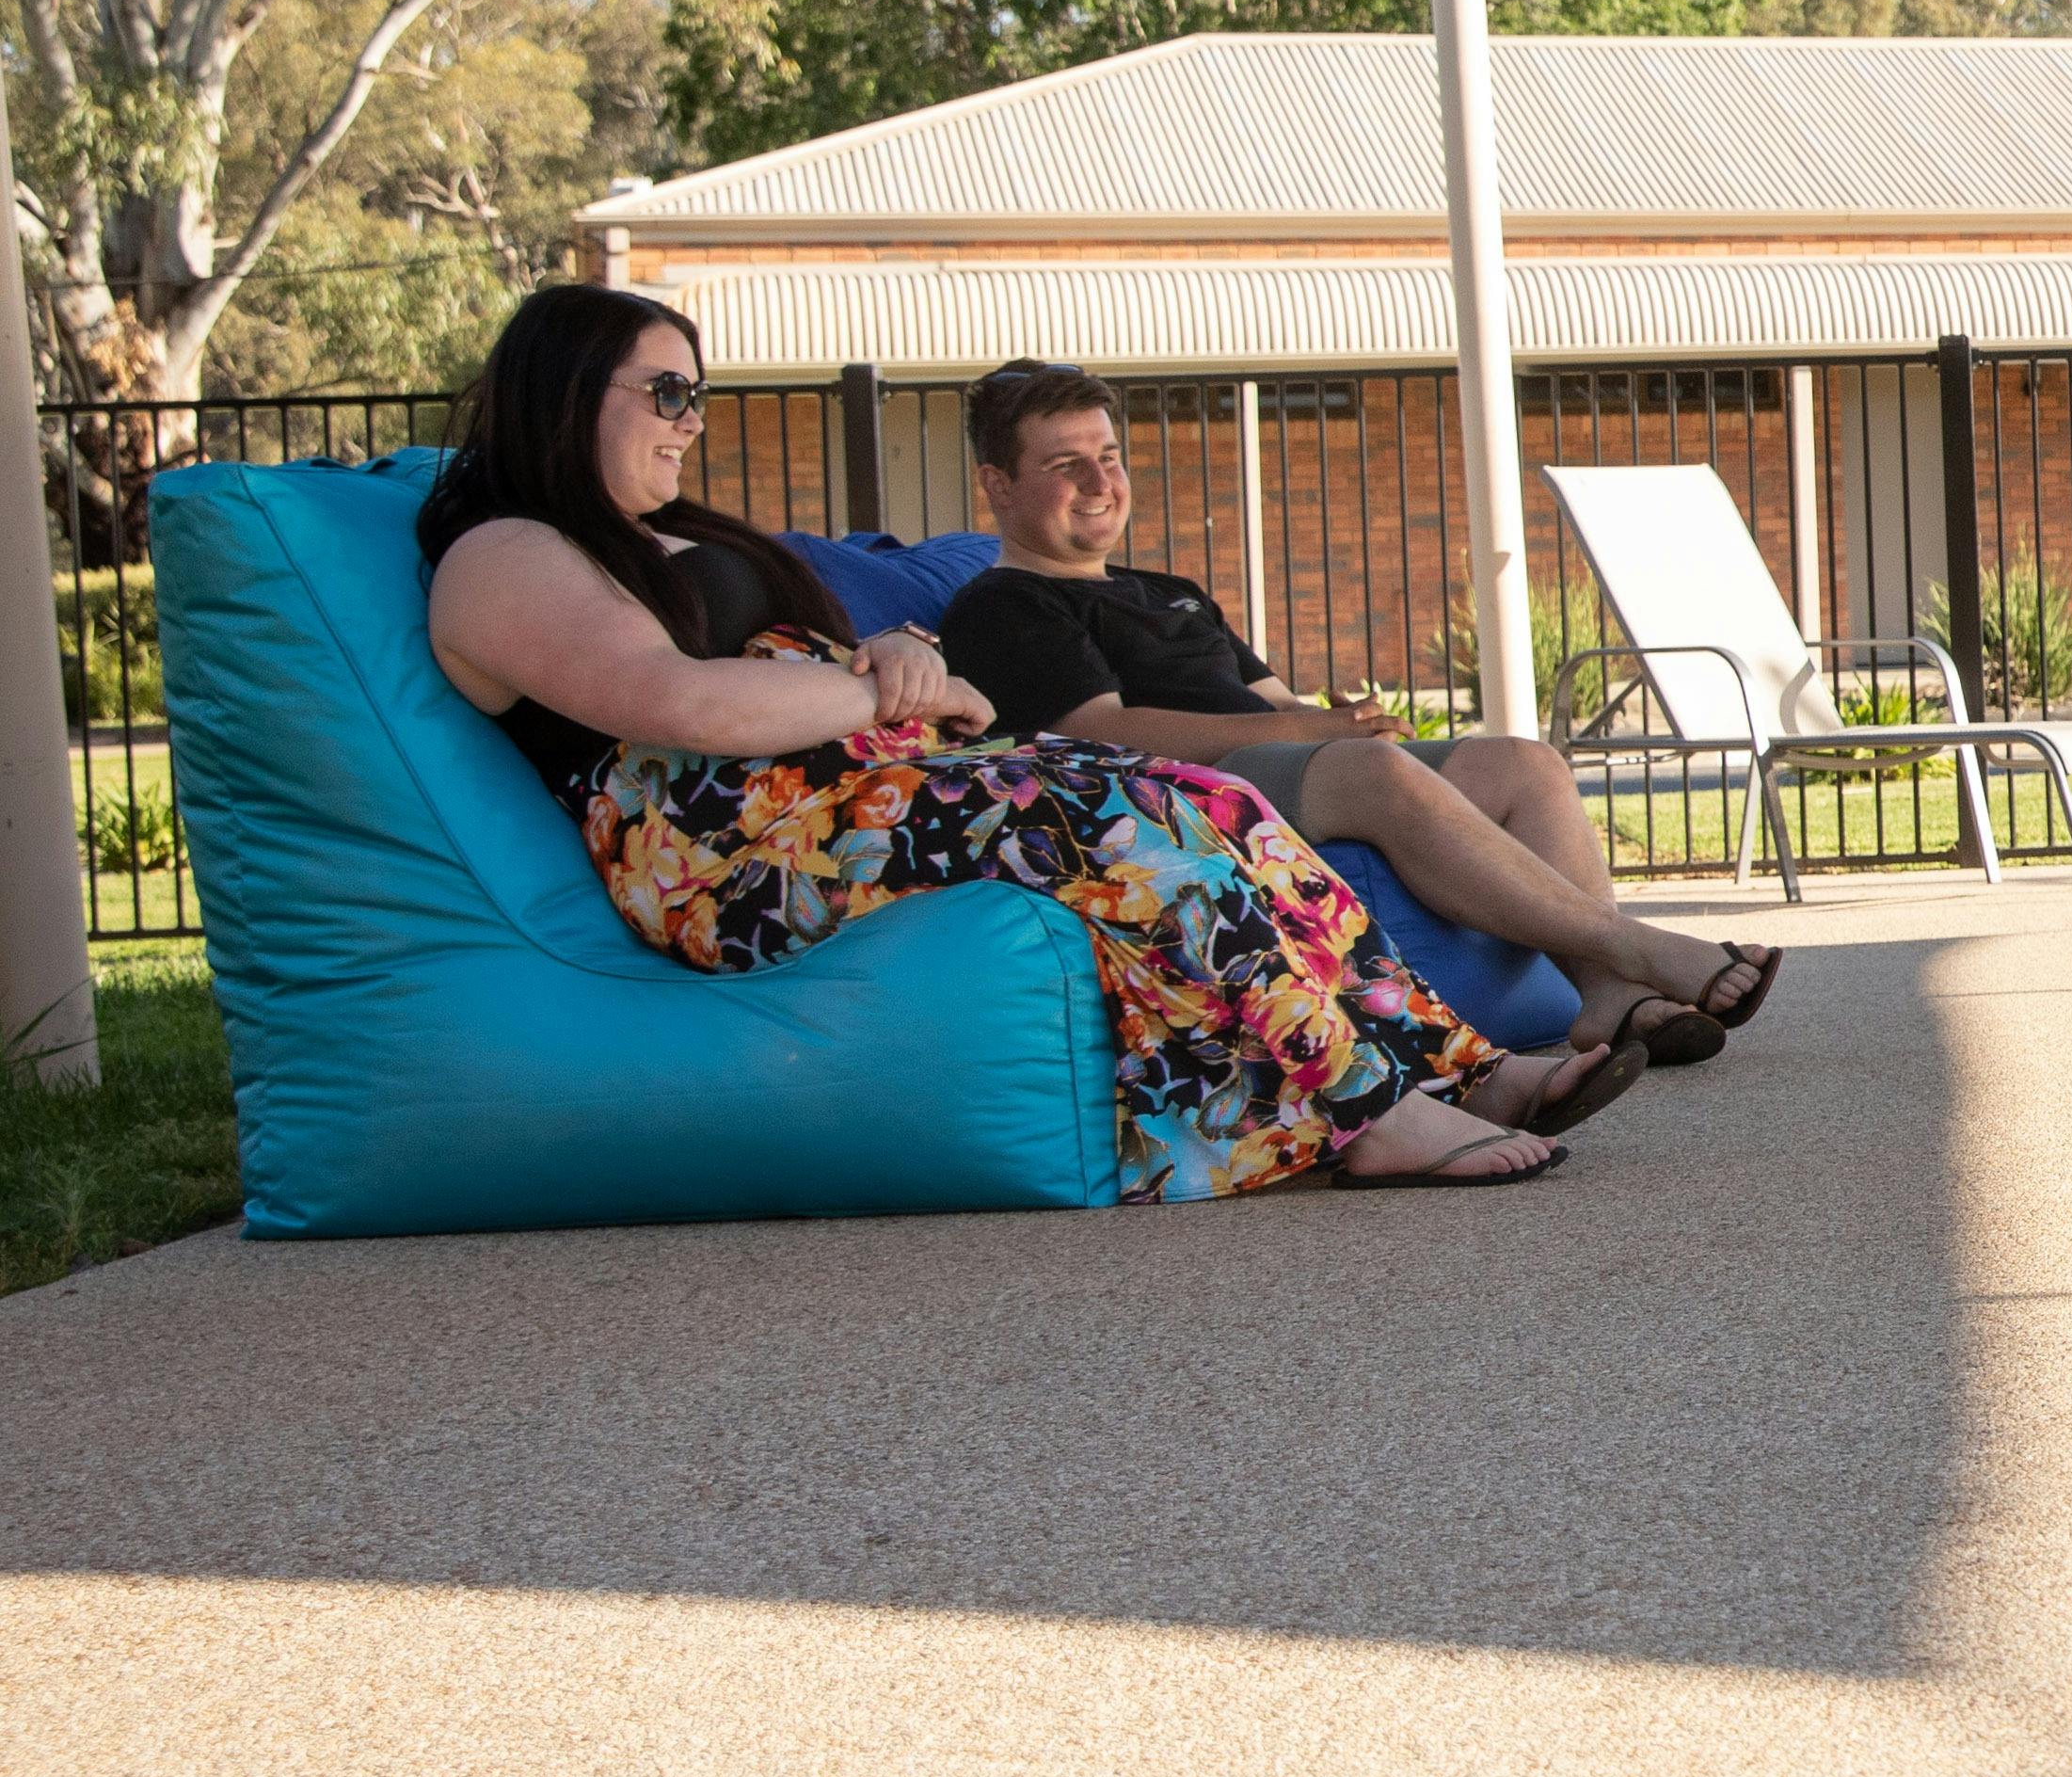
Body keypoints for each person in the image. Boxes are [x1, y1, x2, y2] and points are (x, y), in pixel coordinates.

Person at [418, 284, 1634, 1193]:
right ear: (566, 390)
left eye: (698, 393)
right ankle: (1370, 1113)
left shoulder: (665, 535)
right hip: (743, 853)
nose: (692, 422)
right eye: (666, 393)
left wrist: (896, 670)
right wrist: (882, 695)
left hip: (862, 793)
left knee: (1210, 805)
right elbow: (684, 710)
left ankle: (1460, 1067)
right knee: (1124, 817)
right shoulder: (507, 553)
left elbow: (767, 681)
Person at [933, 361, 1779, 1061]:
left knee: (1522, 760)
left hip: (1273, 770)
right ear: (998, 484)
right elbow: (1102, 732)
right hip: (1164, 798)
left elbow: (1275, 704)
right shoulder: (1004, 603)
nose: (1098, 482)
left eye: (1108, 456)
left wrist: (1335, 717)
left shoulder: (1169, 592)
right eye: (1064, 464)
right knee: (1367, 768)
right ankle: (1634, 946)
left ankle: (1602, 996)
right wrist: (1324, 736)